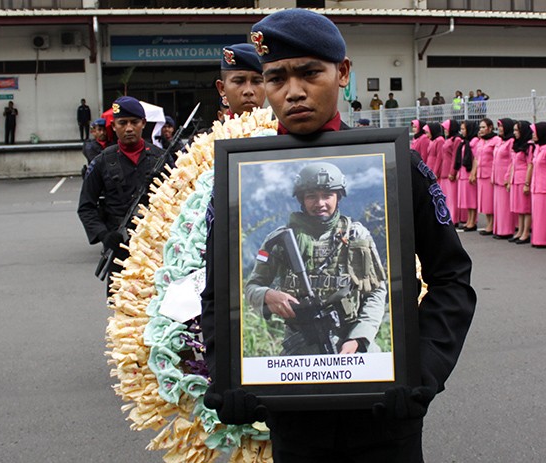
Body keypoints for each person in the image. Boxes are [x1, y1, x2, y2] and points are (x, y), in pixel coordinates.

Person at [201, 9, 476, 462]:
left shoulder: (396, 167)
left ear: (343, 72)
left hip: (384, 415)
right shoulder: (235, 182)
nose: (293, 92)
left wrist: (423, 370)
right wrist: (227, 374)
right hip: (294, 413)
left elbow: (451, 279)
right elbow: (220, 293)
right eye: (276, 79)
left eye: (310, 73)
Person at [244, 162, 387, 356]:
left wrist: (358, 338)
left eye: (327, 195)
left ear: (338, 197)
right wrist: (269, 295)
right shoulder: (279, 240)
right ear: (302, 199)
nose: (320, 203)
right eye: (312, 196)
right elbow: (251, 289)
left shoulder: (356, 235)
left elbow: (377, 291)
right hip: (301, 341)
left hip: (352, 340)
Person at [77, 96, 167, 286]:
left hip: (157, 248)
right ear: (113, 125)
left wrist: (164, 183)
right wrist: (104, 235)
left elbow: (181, 198)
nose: (128, 128)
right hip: (120, 249)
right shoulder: (102, 161)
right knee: (123, 306)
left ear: (143, 123)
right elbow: (86, 206)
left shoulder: (160, 158)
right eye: (122, 123)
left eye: (134, 122)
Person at [216, 43, 266, 120]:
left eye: (257, 81)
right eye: (239, 82)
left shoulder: (280, 131)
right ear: (222, 88)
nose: (248, 91)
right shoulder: (215, 132)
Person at [507, 120, 533, 244]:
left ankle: (526, 232)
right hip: (515, 178)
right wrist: (509, 179)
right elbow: (513, 163)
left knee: (526, 207)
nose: (515, 133)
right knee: (519, 207)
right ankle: (520, 230)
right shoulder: (517, 145)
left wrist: (527, 183)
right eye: (514, 130)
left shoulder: (529, 146)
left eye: (517, 130)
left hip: (523, 178)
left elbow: (530, 165)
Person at [492, 118, 516, 239]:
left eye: (501, 126)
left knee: (505, 206)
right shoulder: (501, 141)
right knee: (498, 206)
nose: (500, 128)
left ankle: (506, 230)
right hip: (497, 177)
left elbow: (513, 161)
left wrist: (507, 177)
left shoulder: (511, 141)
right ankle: (499, 229)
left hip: (504, 178)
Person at [475, 118, 499, 235]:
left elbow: (496, 159)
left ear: (490, 128)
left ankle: (492, 224)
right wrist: (474, 173)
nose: (482, 130)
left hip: (489, 174)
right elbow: (476, 158)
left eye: (484, 127)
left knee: (490, 200)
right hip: (481, 174)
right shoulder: (481, 141)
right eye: (480, 127)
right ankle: (489, 222)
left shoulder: (496, 140)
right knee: (484, 201)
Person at [456, 120, 480, 231]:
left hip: (469, 172)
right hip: (463, 172)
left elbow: (476, 159)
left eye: (464, 129)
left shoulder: (474, 142)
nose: (462, 131)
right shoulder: (465, 142)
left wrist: (473, 173)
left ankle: (473, 221)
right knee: (467, 198)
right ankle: (469, 220)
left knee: (471, 198)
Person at [440, 118, 462, 223]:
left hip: (450, 170)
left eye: (446, 128)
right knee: (447, 196)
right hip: (444, 170)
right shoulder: (448, 139)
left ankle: (454, 218)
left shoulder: (456, 140)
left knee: (452, 197)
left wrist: (452, 171)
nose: (445, 130)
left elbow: (455, 156)